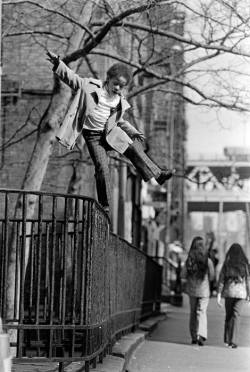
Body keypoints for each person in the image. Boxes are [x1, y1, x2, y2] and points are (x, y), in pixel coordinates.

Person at [46, 51, 175, 214]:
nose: (118, 88)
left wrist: (134, 132)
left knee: (134, 147)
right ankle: (105, 204)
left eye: (121, 86)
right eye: (116, 84)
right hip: (93, 137)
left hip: (110, 132)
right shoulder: (90, 86)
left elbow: (119, 121)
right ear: (109, 78)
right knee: (102, 167)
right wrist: (58, 64)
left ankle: (158, 175)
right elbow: (71, 78)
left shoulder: (118, 100)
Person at [181, 236, 214, 346]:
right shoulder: (207, 260)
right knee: (202, 311)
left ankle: (194, 336)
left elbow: (183, 275)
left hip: (192, 290)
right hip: (204, 291)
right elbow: (212, 276)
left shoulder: (189, 261)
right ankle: (201, 335)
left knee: (193, 312)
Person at [217, 243, 250, 348]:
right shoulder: (245, 265)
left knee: (228, 315)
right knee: (236, 316)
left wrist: (218, 294)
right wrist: (249, 294)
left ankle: (227, 340)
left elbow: (221, 279)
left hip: (229, 292)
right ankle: (234, 341)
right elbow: (248, 280)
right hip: (241, 293)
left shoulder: (227, 264)